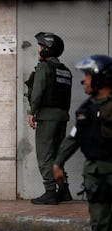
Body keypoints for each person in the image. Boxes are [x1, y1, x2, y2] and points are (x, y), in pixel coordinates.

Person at [53, 54, 112, 231]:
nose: (83, 80)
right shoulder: (85, 109)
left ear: (101, 78)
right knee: (100, 229)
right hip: (95, 176)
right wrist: (58, 163)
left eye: (87, 75)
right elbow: (74, 138)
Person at [25, 32, 73, 205]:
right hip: (62, 117)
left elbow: (37, 93)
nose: (38, 49)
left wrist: (32, 112)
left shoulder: (45, 68)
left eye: (41, 46)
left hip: (47, 116)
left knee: (45, 155)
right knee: (57, 154)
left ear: (47, 49)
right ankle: (64, 190)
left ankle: (50, 192)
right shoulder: (65, 70)